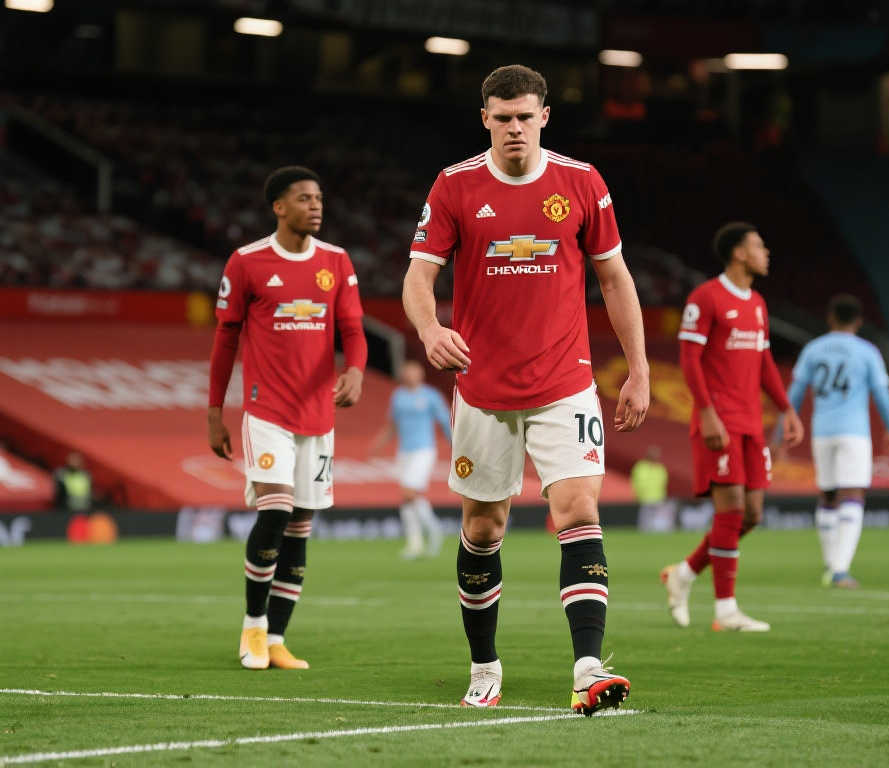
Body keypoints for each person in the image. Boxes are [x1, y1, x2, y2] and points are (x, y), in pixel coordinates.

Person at [402, 65, 649, 715]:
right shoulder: (455, 186)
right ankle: (484, 666)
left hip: (565, 381)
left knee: (579, 510)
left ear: (545, 117)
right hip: (482, 387)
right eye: (503, 117)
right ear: (485, 119)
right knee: (483, 527)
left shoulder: (581, 182)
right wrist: (429, 328)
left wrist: (639, 369)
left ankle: (588, 668)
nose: (515, 127)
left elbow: (615, 278)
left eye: (525, 116)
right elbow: (419, 276)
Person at [207, 166, 368, 671]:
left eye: (318, 198)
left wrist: (356, 370)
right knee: (275, 511)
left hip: (317, 416)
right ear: (279, 207)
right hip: (266, 410)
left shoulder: (336, 262)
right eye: (304, 198)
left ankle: (276, 639)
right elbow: (225, 339)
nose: (315, 206)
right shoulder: (247, 262)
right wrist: (214, 412)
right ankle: (253, 627)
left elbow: (353, 330)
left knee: (300, 526)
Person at [661, 222, 804, 632]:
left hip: (751, 423)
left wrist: (787, 409)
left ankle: (684, 573)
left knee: (752, 515)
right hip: (719, 421)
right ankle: (726, 611)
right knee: (732, 509)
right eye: (759, 246)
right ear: (739, 253)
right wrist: (706, 412)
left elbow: (764, 362)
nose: (766, 252)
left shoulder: (757, 303)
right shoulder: (705, 298)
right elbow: (689, 359)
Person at [785, 294, 889, 588]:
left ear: (830, 318)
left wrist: (782, 429)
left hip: (821, 431)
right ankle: (840, 571)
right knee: (853, 494)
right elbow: (881, 393)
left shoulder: (813, 349)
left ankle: (831, 563)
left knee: (828, 494)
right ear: (859, 321)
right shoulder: (867, 351)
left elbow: (795, 393)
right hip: (854, 432)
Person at [371, 359, 452, 558]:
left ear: (421, 375)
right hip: (404, 452)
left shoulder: (431, 395)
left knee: (409, 492)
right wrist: (379, 444)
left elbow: (445, 421)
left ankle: (434, 530)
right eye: (407, 372)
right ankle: (415, 544)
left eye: (414, 372)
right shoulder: (398, 396)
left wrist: (455, 445)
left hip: (424, 450)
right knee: (408, 499)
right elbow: (392, 425)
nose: (410, 376)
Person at [631, 445, 673, 531]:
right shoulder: (641, 467)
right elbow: (637, 482)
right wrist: (638, 495)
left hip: (658, 498)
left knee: (657, 522)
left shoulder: (660, 468)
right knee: (645, 522)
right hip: (645, 499)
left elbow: (664, 483)